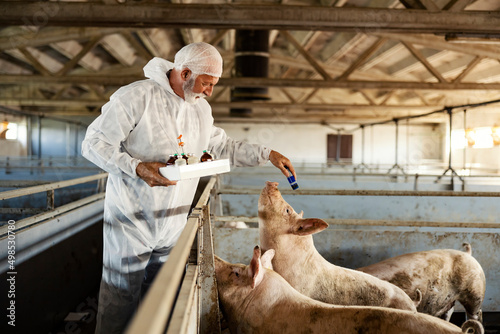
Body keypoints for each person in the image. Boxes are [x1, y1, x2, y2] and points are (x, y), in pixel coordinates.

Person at [81, 42, 296, 334]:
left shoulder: (201, 111)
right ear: (184, 73)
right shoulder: (137, 97)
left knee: (160, 297)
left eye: (213, 84)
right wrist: (137, 167)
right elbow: (93, 144)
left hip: (173, 224)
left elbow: (222, 146)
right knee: (120, 296)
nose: (209, 91)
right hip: (131, 220)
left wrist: (267, 153)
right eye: (207, 83)